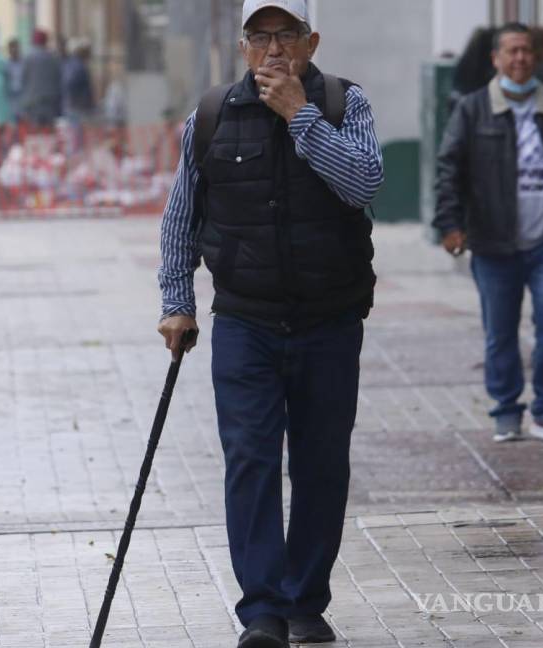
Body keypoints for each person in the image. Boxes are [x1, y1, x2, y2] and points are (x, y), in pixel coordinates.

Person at [157, 1, 382, 645]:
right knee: (250, 459)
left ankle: (305, 600)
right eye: (261, 38)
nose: (274, 50)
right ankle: (262, 609)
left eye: (287, 36)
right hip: (245, 320)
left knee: (319, 463)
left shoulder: (345, 103)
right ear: (243, 46)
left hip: (329, 318)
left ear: (312, 42)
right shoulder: (211, 114)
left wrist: (299, 117)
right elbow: (181, 216)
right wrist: (177, 300)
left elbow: (364, 183)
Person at [434, 23, 543, 445]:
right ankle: (506, 410)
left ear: (537, 56)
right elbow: (448, 171)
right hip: (493, 241)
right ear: (496, 59)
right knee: (500, 331)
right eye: (511, 51)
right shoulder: (473, 110)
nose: (520, 59)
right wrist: (450, 224)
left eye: (527, 51)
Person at [19, 29, 62, 131]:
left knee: (35, 130)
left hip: (33, 101)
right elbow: (58, 78)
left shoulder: (28, 57)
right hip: (50, 101)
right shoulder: (52, 57)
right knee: (49, 130)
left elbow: (23, 79)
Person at [61, 38, 95, 154]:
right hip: (76, 106)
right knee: (76, 137)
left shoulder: (71, 64)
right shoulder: (78, 66)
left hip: (73, 105)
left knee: (74, 136)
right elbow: (71, 83)